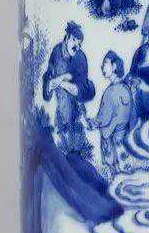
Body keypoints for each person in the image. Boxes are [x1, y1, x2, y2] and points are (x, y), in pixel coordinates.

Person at [42, 21, 96, 155]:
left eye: (79, 43)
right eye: (73, 40)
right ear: (66, 38)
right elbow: (49, 77)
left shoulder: (80, 57)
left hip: (77, 106)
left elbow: (79, 88)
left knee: (75, 143)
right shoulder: (56, 51)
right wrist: (54, 82)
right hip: (61, 107)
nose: (76, 46)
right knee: (61, 139)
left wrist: (60, 80)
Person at [85, 51, 136, 173]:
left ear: (114, 66)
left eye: (105, 63)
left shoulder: (111, 92)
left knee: (114, 172)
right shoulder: (126, 88)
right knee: (126, 171)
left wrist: (90, 123)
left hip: (110, 139)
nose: (102, 67)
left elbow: (103, 119)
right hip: (124, 138)